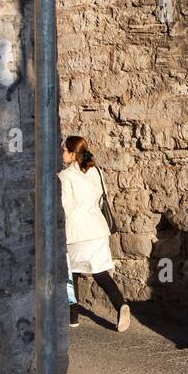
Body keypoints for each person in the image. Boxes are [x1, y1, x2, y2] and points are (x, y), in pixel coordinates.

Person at [60, 135, 130, 333]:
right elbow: (102, 199)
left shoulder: (64, 177)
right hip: (98, 230)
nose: (62, 153)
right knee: (100, 273)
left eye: (65, 150)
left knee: (70, 274)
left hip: (77, 232)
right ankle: (121, 304)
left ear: (73, 154)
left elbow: (65, 206)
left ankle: (72, 316)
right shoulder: (96, 171)